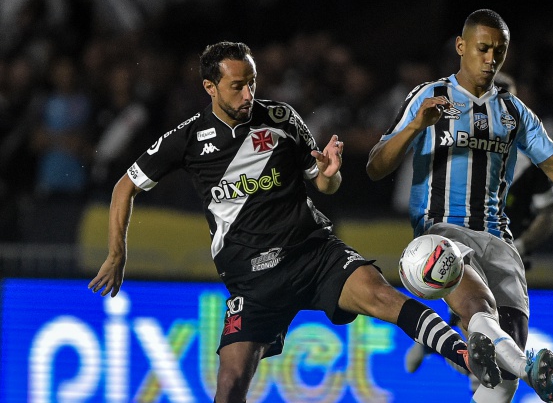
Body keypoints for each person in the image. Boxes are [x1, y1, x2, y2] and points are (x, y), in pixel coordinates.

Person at [88, 41, 502, 402]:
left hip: (312, 252)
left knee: (382, 296)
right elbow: (125, 186)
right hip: (251, 278)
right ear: (210, 88)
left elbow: (325, 185)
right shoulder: (189, 138)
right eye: (237, 85)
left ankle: (465, 356)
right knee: (230, 385)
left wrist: (330, 171)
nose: (248, 93)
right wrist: (117, 252)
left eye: (252, 81)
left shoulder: (282, 119)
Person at [367, 9, 553, 403]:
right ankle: (528, 366)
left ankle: (513, 365)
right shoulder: (428, 97)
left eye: (499, 51)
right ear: (461, 46)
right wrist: (414, 127)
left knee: (500, 384)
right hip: (443, 233)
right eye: (483, 48)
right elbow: (375, 166)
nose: (491, 58)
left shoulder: (514, 112)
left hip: (498, 240)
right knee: (478, 308)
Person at [402, 74, 553, 390]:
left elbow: (549, 213)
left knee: (496, 328)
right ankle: (465, 359)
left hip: (504, 251)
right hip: (464, 248)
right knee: (477, 322)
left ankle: (448, 349)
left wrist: (522, 243)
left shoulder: (530, 162)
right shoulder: (459, 149)